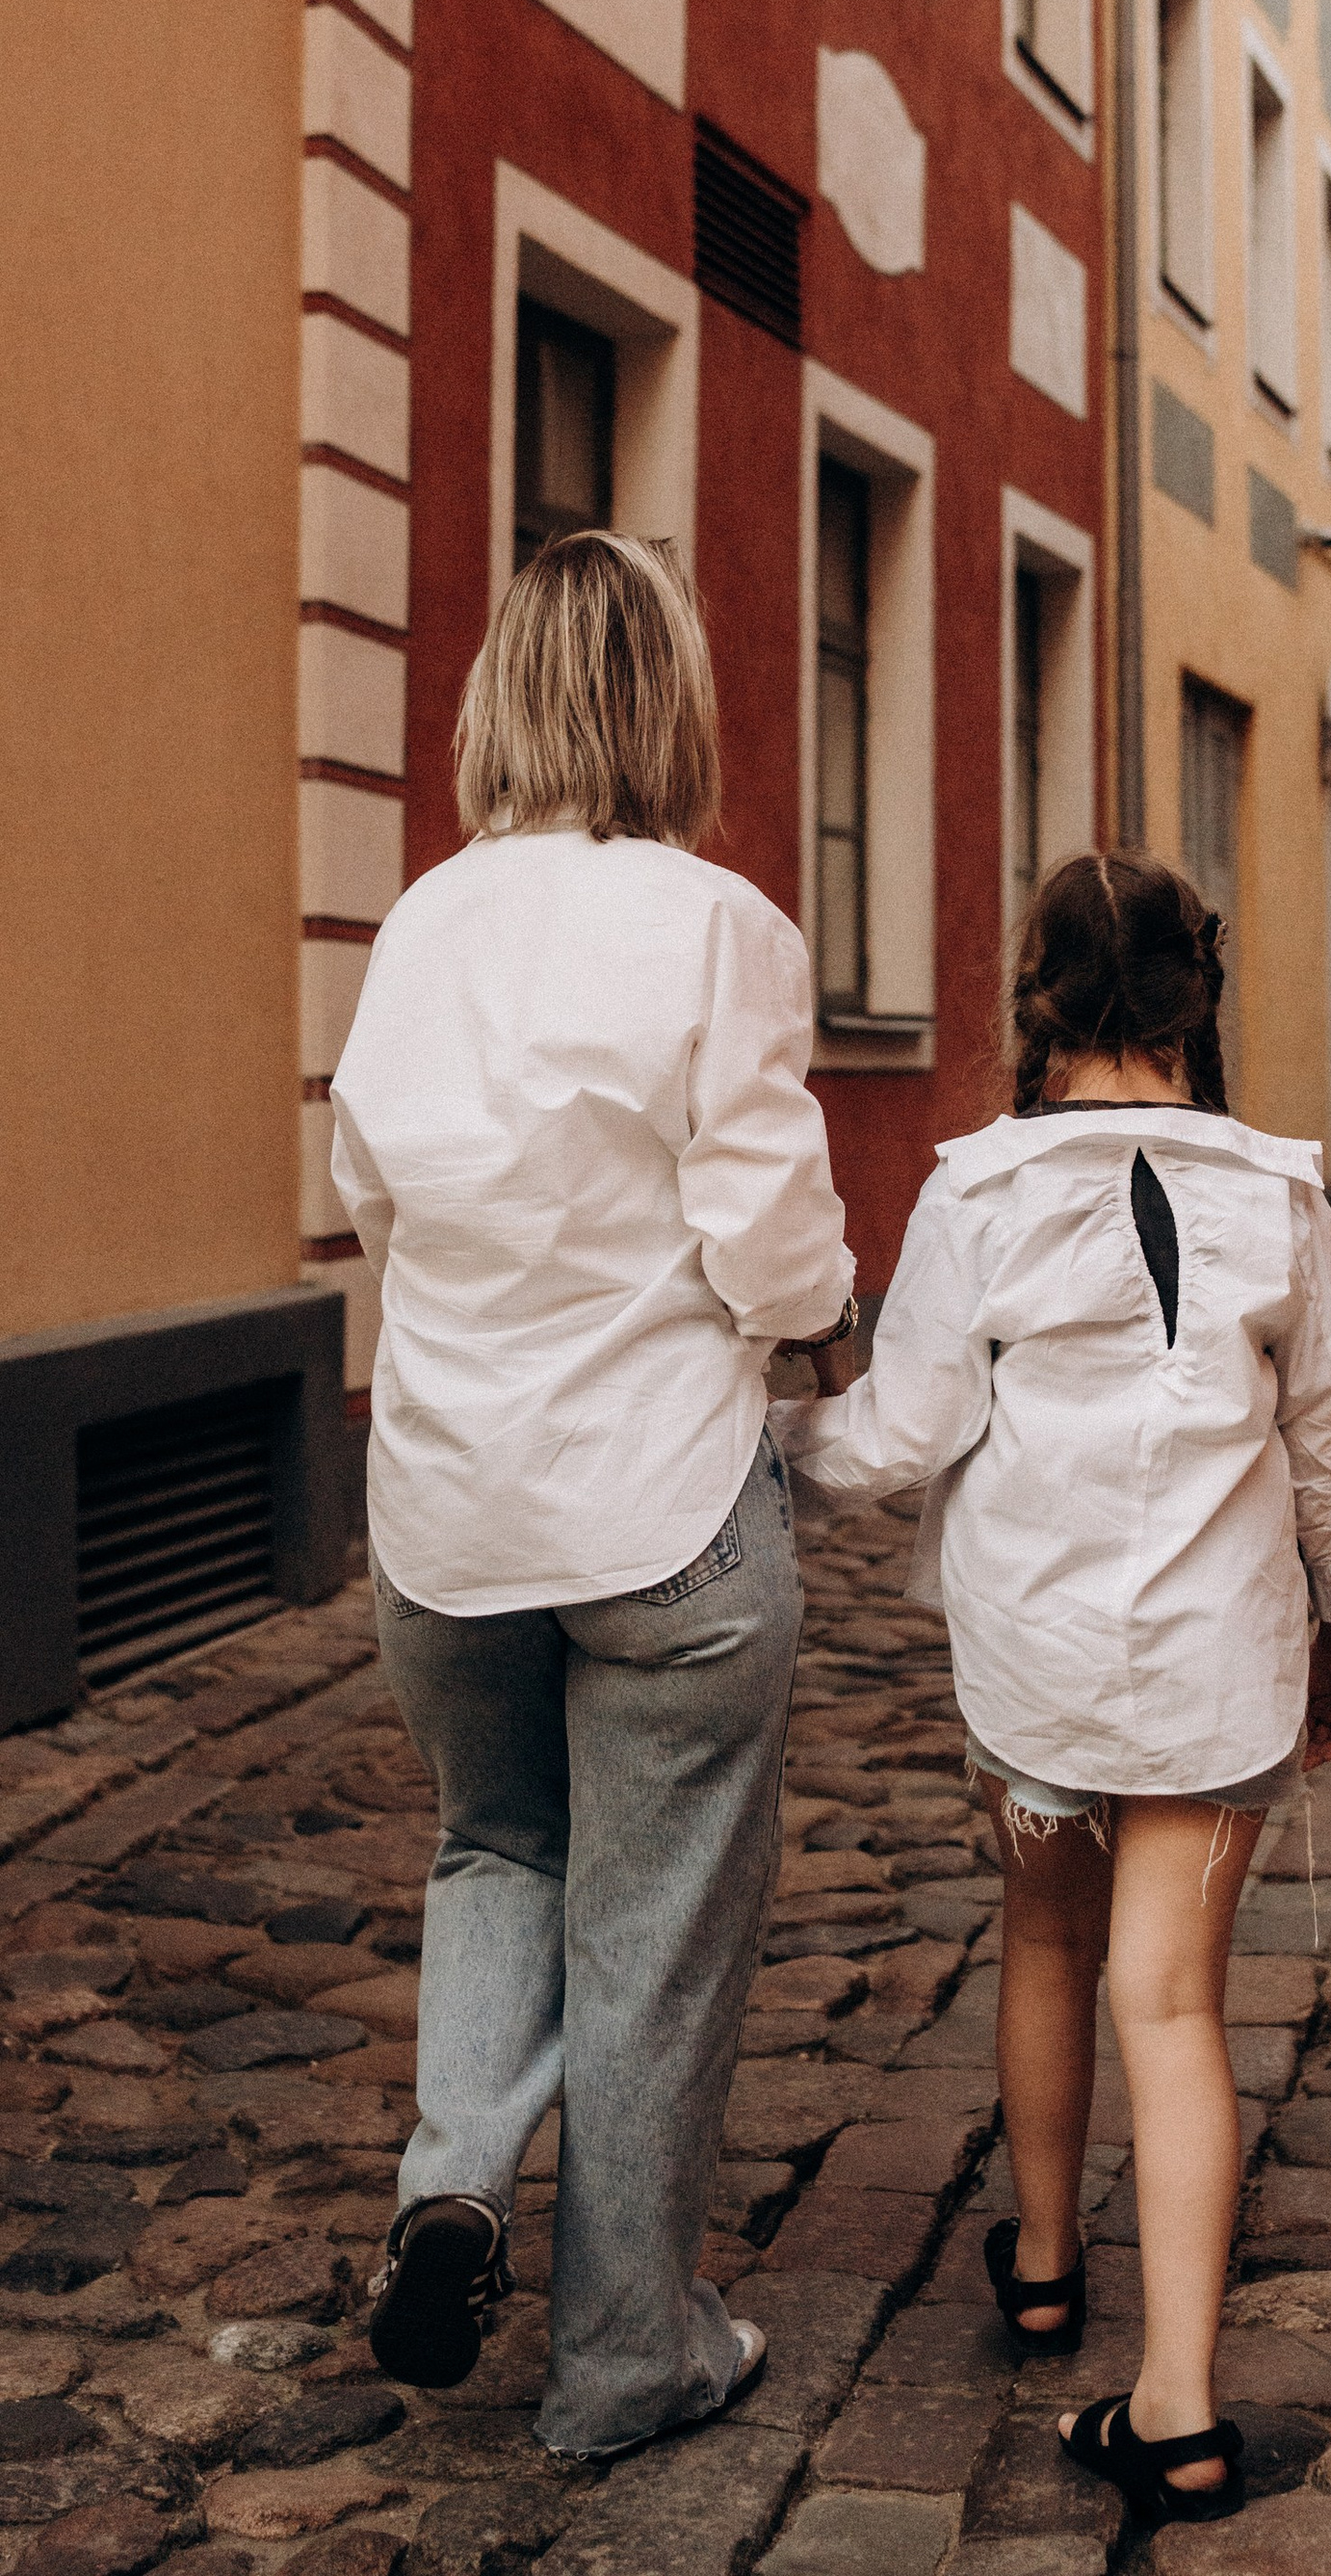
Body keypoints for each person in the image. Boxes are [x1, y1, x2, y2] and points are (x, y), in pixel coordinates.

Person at [771, 850, 1331, 2529]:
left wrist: (772, 1439)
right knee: (1178, 2004)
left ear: (1034, 1003)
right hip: (1218, 1663)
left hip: (1037, 1663)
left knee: (1044, 1938)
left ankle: (1046, 2266)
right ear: (1197, 1004)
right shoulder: (1278, 1195)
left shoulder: (978, 1193)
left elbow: (901, 1433)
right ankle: (1181, 2404)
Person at [327, 533, 859, 2461]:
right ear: (670, 698)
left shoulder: (422, 927)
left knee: (494, 1851)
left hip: (451, 1514)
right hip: (660, 1514)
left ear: (498, 693)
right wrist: (822, 1326)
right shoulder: (714, 924)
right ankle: (628, 2353)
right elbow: (773, 1244)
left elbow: (372, 1195)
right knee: (650, 1932)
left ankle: (456, 2174)